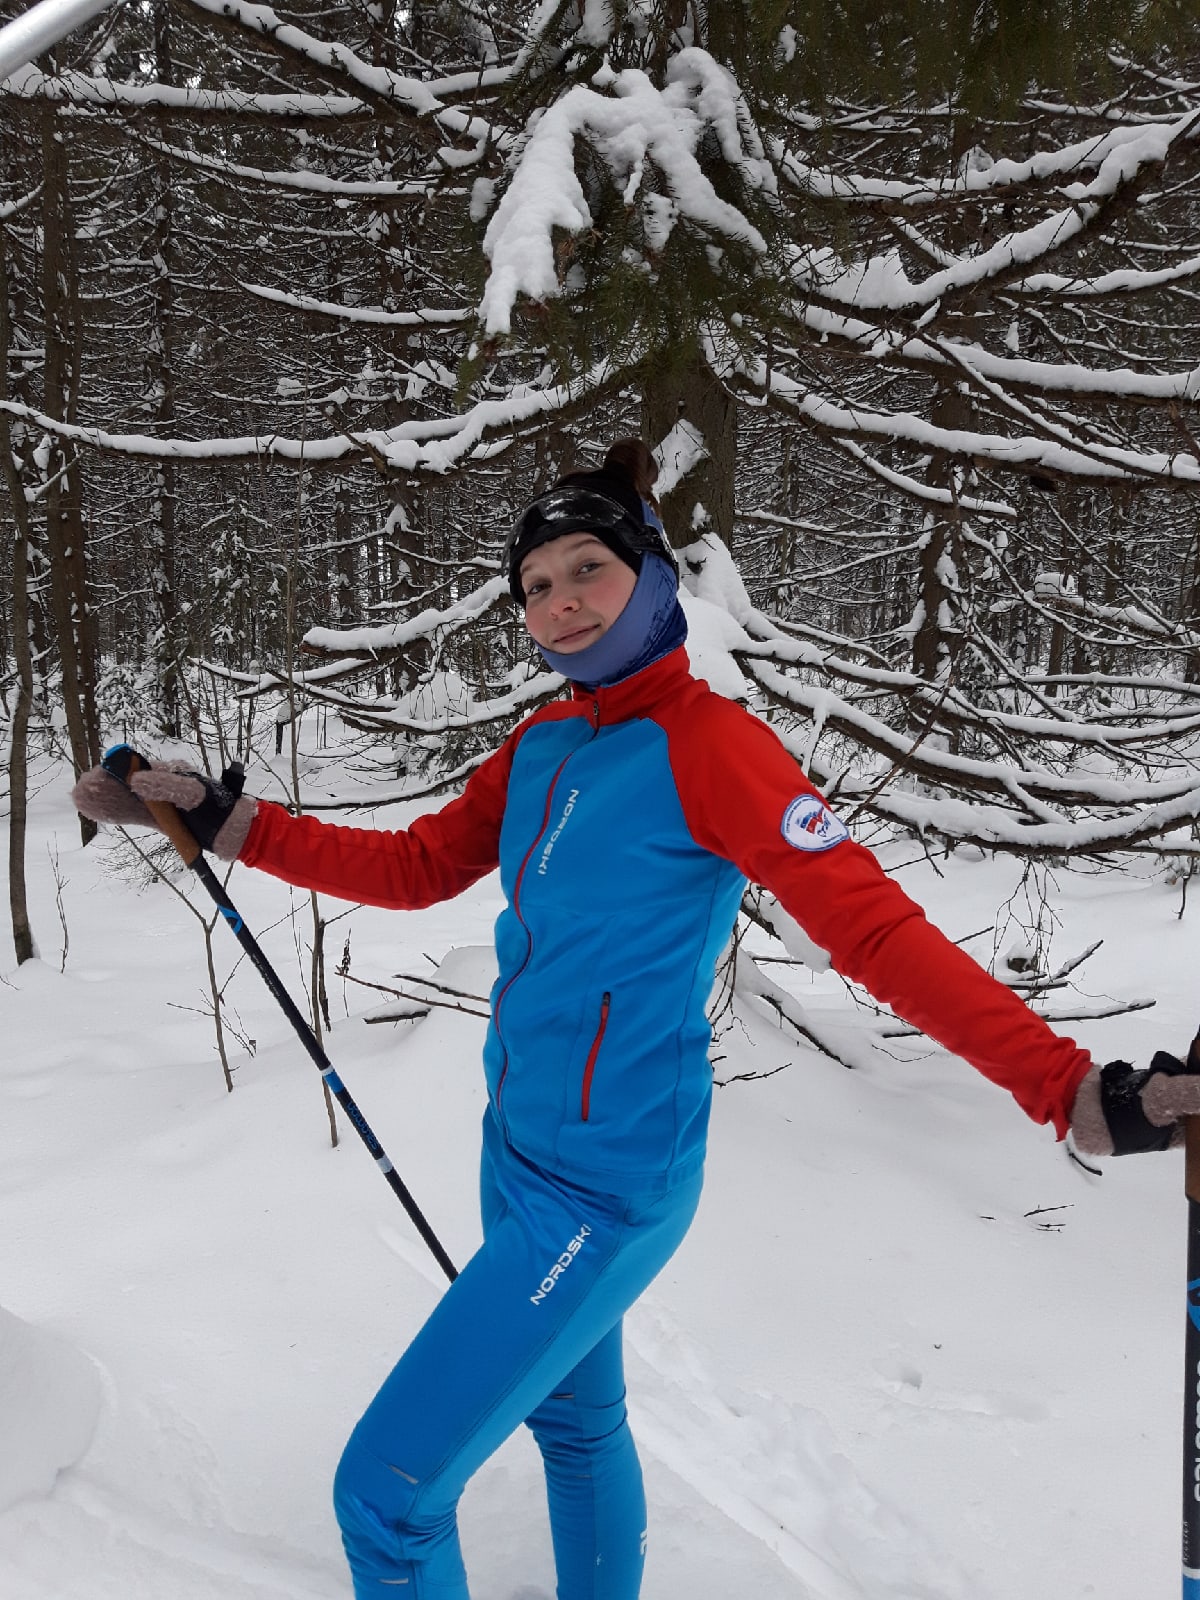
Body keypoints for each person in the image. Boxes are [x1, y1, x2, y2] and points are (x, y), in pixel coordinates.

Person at [73, 438, 1200, 1600]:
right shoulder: (544, 746)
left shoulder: (714, 748)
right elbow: (414, 866)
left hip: (607, 1187)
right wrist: (221, 818)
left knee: (387, 1495)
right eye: (535, 586)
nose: (560, 601)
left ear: (653, 576)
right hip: (515, 1152)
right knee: (575, 1426)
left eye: (587, 570)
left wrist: (1067, 1087)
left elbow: (873, 931)